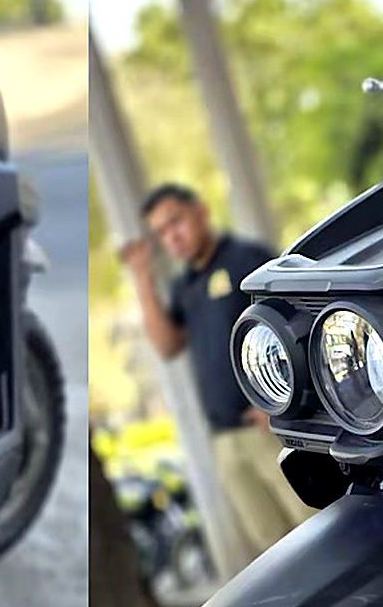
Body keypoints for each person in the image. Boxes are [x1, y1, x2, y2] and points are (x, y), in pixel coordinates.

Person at [119, 182, 313, 557]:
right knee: (274, 552)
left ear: (201, 212)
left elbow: (297, 320)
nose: (172, 237)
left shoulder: (246, 259)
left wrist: (283, 402)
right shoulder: (184, 287)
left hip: (270, 428)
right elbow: (167, 344)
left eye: (176, 222)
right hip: (225, 439)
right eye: (161, 232)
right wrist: (142, 278)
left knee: (312, 526)